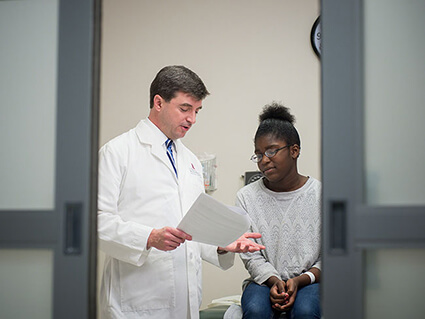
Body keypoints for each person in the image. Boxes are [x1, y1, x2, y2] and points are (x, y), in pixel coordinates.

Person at [97, 65, 264, 319]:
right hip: (135, 303)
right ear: (159, 102)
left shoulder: (190, 161)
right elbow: (97, 223)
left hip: (185, 302)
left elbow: (192, 229)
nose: (192, 119)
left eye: (197, 111)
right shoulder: (118, 152)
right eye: (185, 109)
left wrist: (222, 245)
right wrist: (149, 237)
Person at [237, 102, 321, 319]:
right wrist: (274, 280)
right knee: (256, 310)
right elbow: (250, 254)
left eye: (272, 151)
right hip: (264, 281)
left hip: (312, 280)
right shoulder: (246, 197)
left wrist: (301, 280)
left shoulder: (322, 194)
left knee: (305, 310)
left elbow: (331, 255)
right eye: (259, 154)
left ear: (294, 150)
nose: (264, 160)